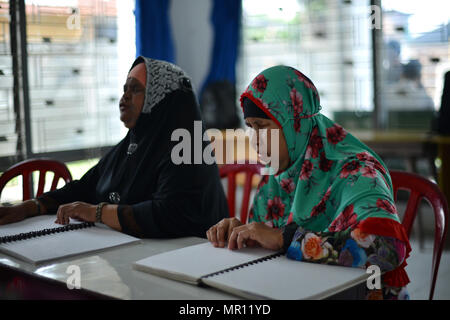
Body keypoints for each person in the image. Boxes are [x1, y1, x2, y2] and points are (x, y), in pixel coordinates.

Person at [206, 65, 411, 300]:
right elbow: (269, 242)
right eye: (250, 127)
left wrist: (286, 238)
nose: (255, 141)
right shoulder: (279, 174)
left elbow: (389, 248)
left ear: (296, 125)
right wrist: (245, 233)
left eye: (262, 127)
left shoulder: (357, 171)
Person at [0, 56, 229, 238]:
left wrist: (97, 212)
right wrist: (30, 207)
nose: (124, 97)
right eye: (124, 89)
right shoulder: (133, 145)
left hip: (187, 267)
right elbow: (86, 187)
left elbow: (168, 214)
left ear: (161, 100)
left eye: (136, 90)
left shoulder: (188, 149)